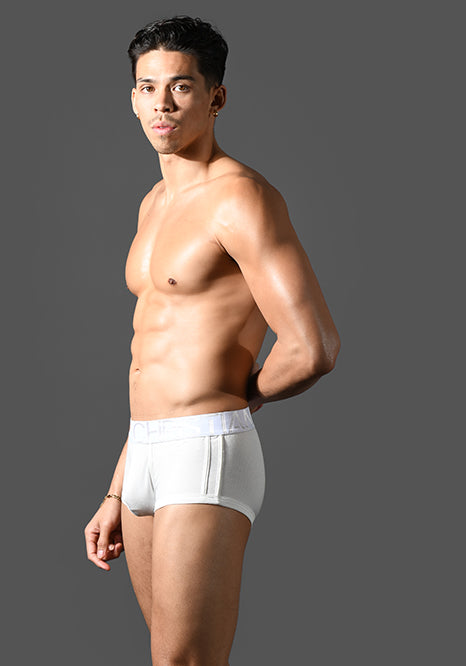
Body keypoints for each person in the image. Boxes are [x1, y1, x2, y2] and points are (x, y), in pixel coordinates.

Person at [84, 16, 340, 665]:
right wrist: (117, 489)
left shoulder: (241, 198)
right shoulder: (152, 204)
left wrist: (240, 395)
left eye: (180, 87)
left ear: (216, 96)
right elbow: (157, 358)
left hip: (204, 448)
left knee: (186, 662)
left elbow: (312, 346)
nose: (162, 105)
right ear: (133, 98)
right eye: (148, 88)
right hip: (143, 450)